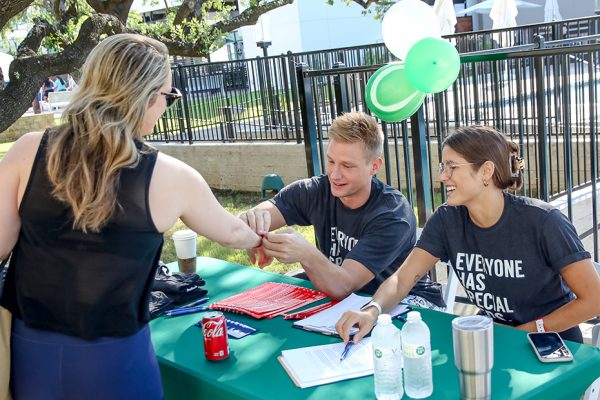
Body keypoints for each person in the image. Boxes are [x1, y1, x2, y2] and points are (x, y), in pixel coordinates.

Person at [0, 33, 262, 399]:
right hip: (117, 362)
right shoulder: (170, 176)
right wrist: (260, 237)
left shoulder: (29, 149)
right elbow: (233, 233)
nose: (165, 108)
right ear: (145, 96)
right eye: (168, 98)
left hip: (33, 353)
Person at [336, 125, 600, 345]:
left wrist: (526, 331)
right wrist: (373, 310)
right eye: (443, 166)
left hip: (553, 342)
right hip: (491, 339)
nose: (442, 176)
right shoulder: (447, 219)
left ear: (486, 171)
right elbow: (402, 279)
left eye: (452, 167)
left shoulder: (544, 222)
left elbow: (594, 300)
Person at [239, 112, 444, 309]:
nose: (335, 175)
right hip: (347, 300)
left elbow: (343, 286)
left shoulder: (392, 214)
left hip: (405, 302)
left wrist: (306, 253)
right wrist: (255, 228)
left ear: (374, 166)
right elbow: (260, 215)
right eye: (331, 161)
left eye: (347, 166)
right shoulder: (315, 190)